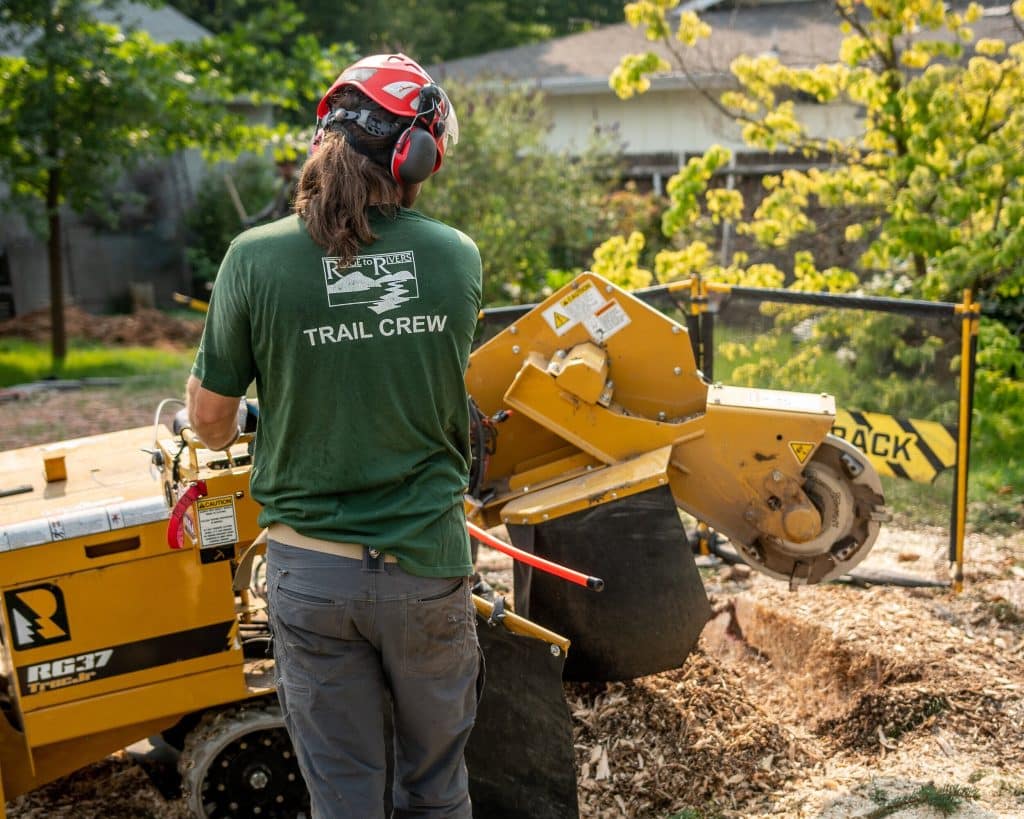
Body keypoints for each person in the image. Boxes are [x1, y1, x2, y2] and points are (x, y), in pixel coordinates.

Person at [186, 53, 483, 818]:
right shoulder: (454, 257)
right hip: (426, 567)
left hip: (311, 577)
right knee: (437, 793)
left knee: (345, 802)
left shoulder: (251, 260)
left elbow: (210, 423)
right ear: (414, 154)